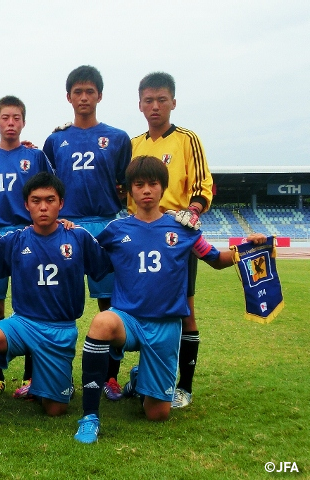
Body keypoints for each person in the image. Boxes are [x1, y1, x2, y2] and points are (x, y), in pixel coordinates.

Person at [73, 156, 265, 444]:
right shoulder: (115, 230)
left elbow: (216, 259)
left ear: (163, 188)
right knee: (101, 322)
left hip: (166, 325)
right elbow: (92, 261)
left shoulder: (183, 229)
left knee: (157, 414)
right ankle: (89, 416)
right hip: (128, 319)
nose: (146, 190)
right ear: (129, 190)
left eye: (153, 184)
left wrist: (246, 247)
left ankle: (139, 381)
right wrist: (68, 231)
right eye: (139, 185)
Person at [0, 172, 110, 437]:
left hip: (60, 329)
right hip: (24, 323)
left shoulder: (79, 237)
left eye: (50, 200)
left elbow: (105, 268)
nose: (43, 207)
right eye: (36, 200)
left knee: (55, 410)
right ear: (26, 204)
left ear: (61, 203)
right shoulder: (15, 240)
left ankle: (45, 383)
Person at [43, 65, 131, 401]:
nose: (83, 97)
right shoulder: (56, 139)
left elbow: (127, 183)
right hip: (65, 227)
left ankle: (109, 377)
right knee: (53, 299)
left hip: (105, 225)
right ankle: (50, 374)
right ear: (68, 97)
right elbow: (45, 181)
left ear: (100, 96)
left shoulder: (118, 138)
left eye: (89, 91)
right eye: (77, 92)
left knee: (109, 305)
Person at [129, 72, 214, 409]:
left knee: (185, 312)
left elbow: (203, 184)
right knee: (143, 309)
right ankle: (144, 377)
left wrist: (192, 212)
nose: (155, 106)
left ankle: (184, 387)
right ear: (139, 104)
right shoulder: (134, 144)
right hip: (139, 236)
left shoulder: (186, 139)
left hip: (176, 238)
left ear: (173, 103)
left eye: (161, 99)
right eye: (148, 100)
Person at [0, 95, 53, 398]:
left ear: (23, 122)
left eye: (16, 118)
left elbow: (48, 191)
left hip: (28, 236)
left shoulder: (35, 155)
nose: (11, 123)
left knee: (33, 307)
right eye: (5, 118)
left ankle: (32, 377)